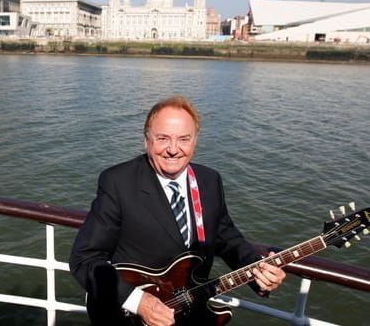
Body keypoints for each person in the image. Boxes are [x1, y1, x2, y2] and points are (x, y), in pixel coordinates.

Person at [69, 95, 286, 326]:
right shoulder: (118, 182)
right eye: (163, 138)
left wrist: (258, 269)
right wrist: (139, 302)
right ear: (146, 140)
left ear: (195, 141)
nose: (173, 149)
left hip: (191, 310)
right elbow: (85, 258)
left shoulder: (209, 180)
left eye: (184, 139)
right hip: (131, 318)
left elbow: (226, 237)